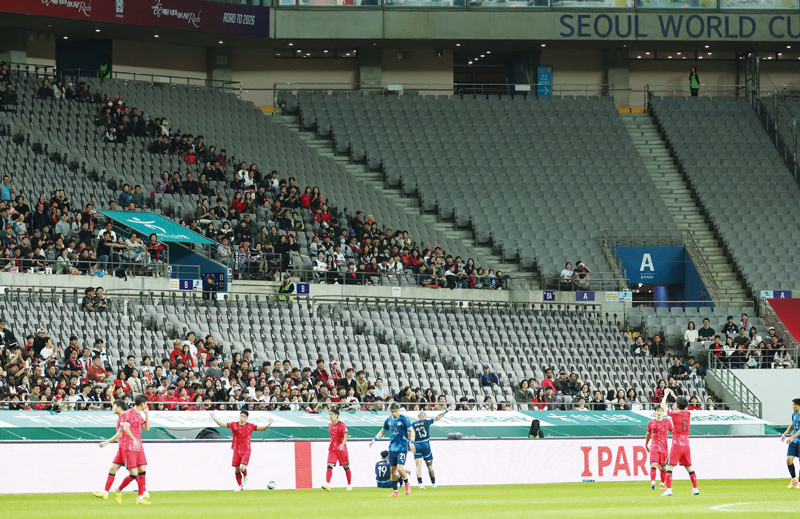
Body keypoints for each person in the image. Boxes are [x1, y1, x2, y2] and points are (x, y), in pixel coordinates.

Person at [210, 410, 273, 492]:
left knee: (242, 467)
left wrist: (267, 425)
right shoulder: (234, 425)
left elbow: (261, 428)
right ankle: (240, 486)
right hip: (236, 449)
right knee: (236, 469)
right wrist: (215, 419)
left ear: (247, 418)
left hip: (246, 450)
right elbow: (222, 425)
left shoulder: (250, 426)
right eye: (241, 416)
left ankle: (245, 476)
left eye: (244, 416)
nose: (242, 418)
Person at [93, 399, 140, 501]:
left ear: (119, 408)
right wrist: (110, 395)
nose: (112, 408)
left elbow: (120, 434)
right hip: (121, 448)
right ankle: (105, 493)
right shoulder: (121, 416)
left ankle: (142, 491)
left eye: (114, 407)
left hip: (127, 448)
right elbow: (117, 404)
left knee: (133, 473)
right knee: (112, 469)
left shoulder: (124, 418)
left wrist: (106, 442)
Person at [110, 395, 151, 504]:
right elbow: (126, 428)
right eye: (146, 404)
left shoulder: (139, 415)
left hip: (139, 446)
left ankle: (140, 498)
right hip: (130, 446)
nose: (146, 406)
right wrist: (133, 439)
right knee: (134, 473)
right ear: (142, 404)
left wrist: (147, 415)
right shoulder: (129, 413)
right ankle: (118, 490)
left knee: (143, 470)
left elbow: (147, 428)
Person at [369, 402, 416, 497]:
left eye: (395, 411)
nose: (393, 413)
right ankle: (395, 491)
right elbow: (383, 431)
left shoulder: (404, 419)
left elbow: (412, 431)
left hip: (402, 447)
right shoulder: (388, 420)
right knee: (392, 470)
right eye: (392, 412)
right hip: (392, 448)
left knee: (400, 468)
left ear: (398, 410)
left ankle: (407, 482)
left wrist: (412, 443)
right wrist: (374, 439)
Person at [660, 388, 699, 497]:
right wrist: (673, 395)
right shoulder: (687, 413)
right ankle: (695, 489)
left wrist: (666, 395)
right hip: (686, 445)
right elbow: (683, 404)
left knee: (670, 467)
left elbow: (663, 407)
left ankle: (669, 490)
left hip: (677, 445)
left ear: (677, 406)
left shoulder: (675, 414)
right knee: (689, 467)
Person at [412, 409, 447, 489]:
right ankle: (433, 483)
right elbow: (438, 417)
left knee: (418, 467)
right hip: (426, 446)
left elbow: (408, 434)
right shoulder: (426, 422)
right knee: (430, 466)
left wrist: (411, 444)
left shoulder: (413, 425)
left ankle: (420, 484)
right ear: (423, 417)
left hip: (417, 447)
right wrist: (446, 411)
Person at [322, 409, 352, 492]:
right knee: (329, 465)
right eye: (329, 414)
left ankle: (349, 484)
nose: (330, 416)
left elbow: (346, 435)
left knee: (346, 466)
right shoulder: (329, 425)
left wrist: (342, 444)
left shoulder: (342, 425)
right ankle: (327, 484)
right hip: (332, 448)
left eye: (332, 414)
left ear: (337, 415)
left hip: (341, 448)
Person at [645, 405, 673, 491]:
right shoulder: (651, 423)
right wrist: (646, 444)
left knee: (663, 467)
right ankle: (653, 482)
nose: (659, 412)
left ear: (663, 412)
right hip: (654, 447)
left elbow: (673, 432)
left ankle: (662, 483)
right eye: (657, 411)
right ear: (655, 412)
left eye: (661, 411)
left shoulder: (668, 422)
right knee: (653, 464)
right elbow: (648, 434)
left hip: (664, 448)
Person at [781, 398, 800, 489]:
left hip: (796, 439)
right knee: (789, 460)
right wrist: (785, 433)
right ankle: (794, 479)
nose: (792, 407)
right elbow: (792, 425)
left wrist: (792, 437)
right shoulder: (794, 414)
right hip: (795, 440)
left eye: (793, 405)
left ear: (797, 405)